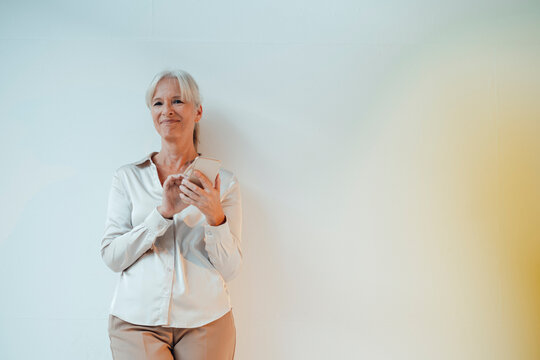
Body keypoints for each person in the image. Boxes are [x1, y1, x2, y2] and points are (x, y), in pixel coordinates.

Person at [100, 69, 242, 360]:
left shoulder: (224, 184)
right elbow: (112, 257)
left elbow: (230, 269)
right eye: (158, 103)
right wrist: (162, 214)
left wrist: (215, 216)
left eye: (178, 101)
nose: (167, 111)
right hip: (135, 322)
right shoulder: (127, 178)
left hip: (207, 320)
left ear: (198, 110)